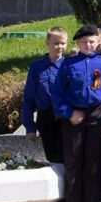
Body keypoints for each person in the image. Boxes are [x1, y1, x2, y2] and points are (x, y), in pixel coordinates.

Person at [51, 24, 101, 202]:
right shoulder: (68, 64)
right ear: (78, 44)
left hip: (97, 116)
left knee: (93, 164)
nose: (88, 45)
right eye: (84, 42)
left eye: (91, 41)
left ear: (98, 42)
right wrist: (68, 113)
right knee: (73, 163)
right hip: (74, 116)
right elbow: (57, 94)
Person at [22, 27, 68, 164]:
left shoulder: (69, 65)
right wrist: (30, 127)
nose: (60, 47)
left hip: (66, 116)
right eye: (56, 43)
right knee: (53, 159)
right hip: (46, 116)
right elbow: (29, 98)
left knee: (69, 158)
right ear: (47, 42)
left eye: (63, 43)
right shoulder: (37, 68)